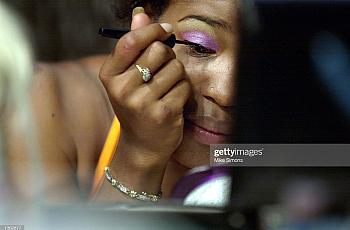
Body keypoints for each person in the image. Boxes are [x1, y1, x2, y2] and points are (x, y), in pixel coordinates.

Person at [6, 0, 238, 203]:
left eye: (266, 55)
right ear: (145, 24)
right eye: (199, 47)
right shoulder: (51, 106)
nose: (226, 93)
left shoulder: (262, 149)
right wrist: (139, 154)